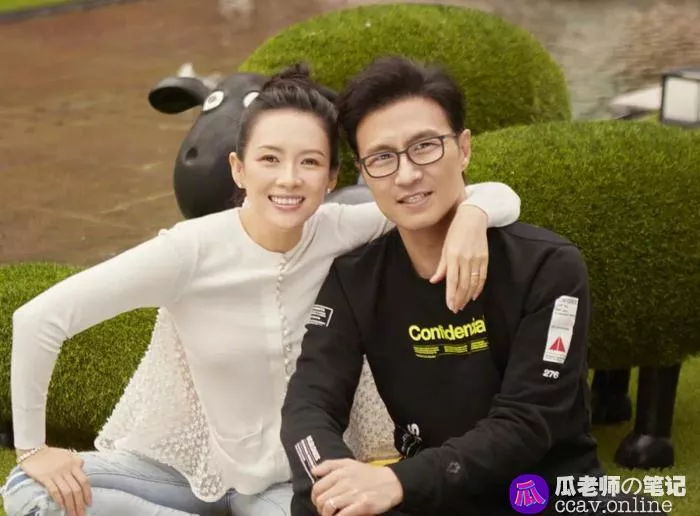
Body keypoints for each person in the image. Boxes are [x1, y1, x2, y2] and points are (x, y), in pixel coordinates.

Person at [1, 64, 521, 516]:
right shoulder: (188, 252)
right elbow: (39, 320)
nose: (289, 179)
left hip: (291, 481)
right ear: (239, 168)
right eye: (270, 159)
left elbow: (495, 193)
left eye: (309, 162)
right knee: (28, 490)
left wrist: (472, 216)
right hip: (196, 474)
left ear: (333, 176)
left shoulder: (341, 229)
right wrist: (33, 450)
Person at [280, 56, 667, 516]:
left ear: (463, 149)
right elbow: (308, 406)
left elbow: (527, 422)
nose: (406, 174)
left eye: (425, 146)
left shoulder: (548, 266)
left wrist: (397, 480)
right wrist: (332, 484)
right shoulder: (354, 279)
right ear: (364, 172)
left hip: (543, 491)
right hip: (432, 495)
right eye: (382, 158)